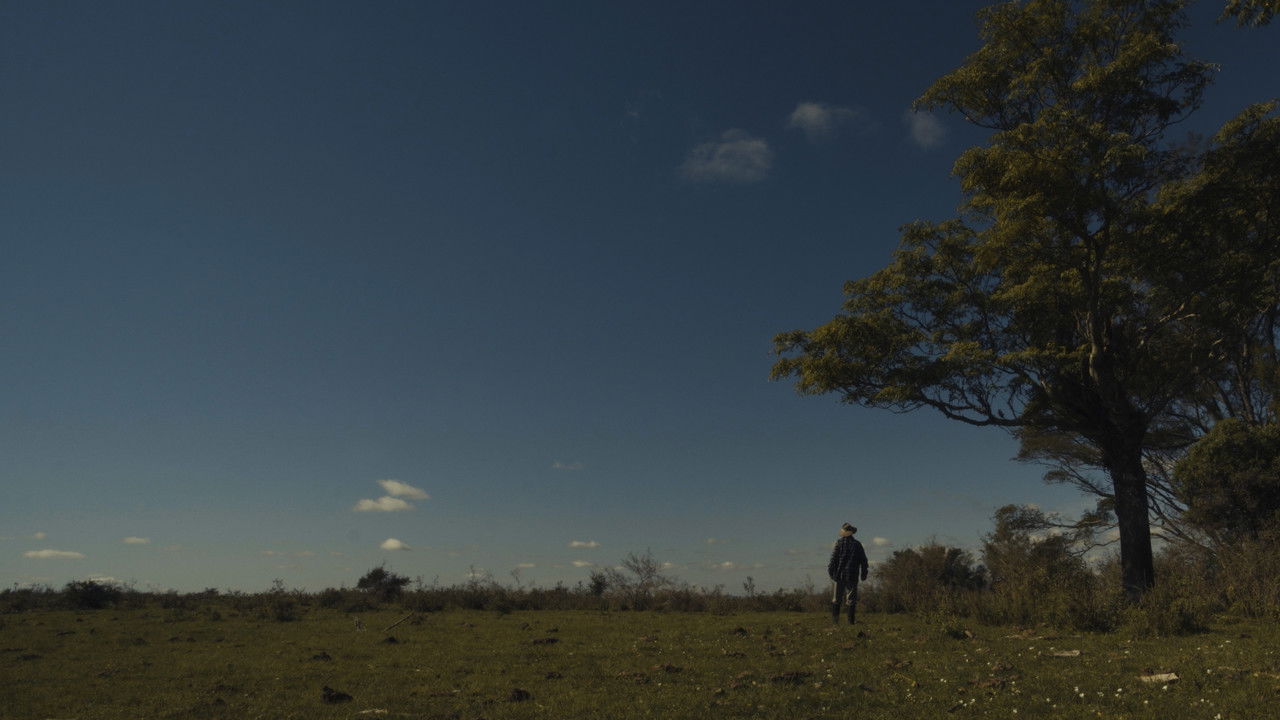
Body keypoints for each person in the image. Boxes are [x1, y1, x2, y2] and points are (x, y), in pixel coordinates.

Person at [827, 522, 869, 625]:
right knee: (851, 600)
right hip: (852, 575)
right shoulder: (857, 544)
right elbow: (864, 560)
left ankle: (835, 622)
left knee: (836, 599)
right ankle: (850, 622)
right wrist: (864, 573)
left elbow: (833, 559)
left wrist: (831, 572)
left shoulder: (839, 543)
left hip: (839, 575)